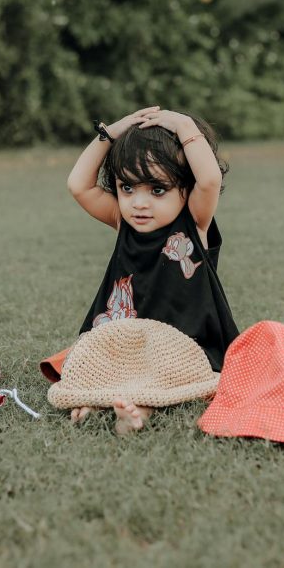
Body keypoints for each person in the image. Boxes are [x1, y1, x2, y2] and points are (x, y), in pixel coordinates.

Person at [59, 105, 240, 433]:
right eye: (127, 188)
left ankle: (138, 411)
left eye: (158, 190)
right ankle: (92, 399)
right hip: (127, 340)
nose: (139, 203)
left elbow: (209, 178)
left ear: (186, 187)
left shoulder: (194, 220)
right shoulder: (122, 220)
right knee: (92, 358)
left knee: (171, 375)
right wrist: (109, 134)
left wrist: (184, 126)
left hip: (182, 343)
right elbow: (79, 185)